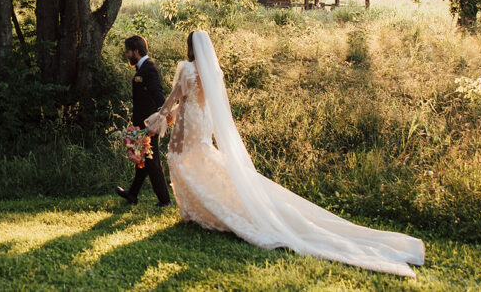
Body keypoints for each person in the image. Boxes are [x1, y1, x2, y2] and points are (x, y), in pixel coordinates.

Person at [144, 29, 426, 277]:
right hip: (203, 119)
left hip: (188, 118)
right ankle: (199, 207)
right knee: (202, 157)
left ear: (190, 47)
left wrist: (161, 116)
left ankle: (194, 210)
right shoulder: (212, 70)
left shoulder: (187, 68)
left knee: (179, 158)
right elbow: (206, 100)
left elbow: (175, 97)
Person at [114, 34, 172, 208]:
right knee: (143, 158)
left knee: (151, 160)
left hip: (149, 123)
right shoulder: (142, 68)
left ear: (137, 51)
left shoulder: (149, 69)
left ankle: (165, 200)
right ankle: (133, 193)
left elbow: (159, 96)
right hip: (142, 122)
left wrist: (158, 122)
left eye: (128, 51)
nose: (127, 55)